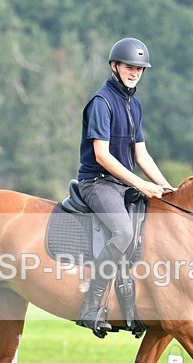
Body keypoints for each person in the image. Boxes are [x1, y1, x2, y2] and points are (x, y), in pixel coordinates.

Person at [75, 37, 174, 337]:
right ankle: (91, 307)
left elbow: (141, 155)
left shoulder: (134, 105)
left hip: (122, 185)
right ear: (114, 66)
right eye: (129, 67)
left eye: (140, 69)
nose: (134, 73)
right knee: (124, 232)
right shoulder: (101, 102)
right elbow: (102, 156)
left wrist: (168, 188)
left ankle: (130, 307)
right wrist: (142, 185)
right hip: (97, 183)